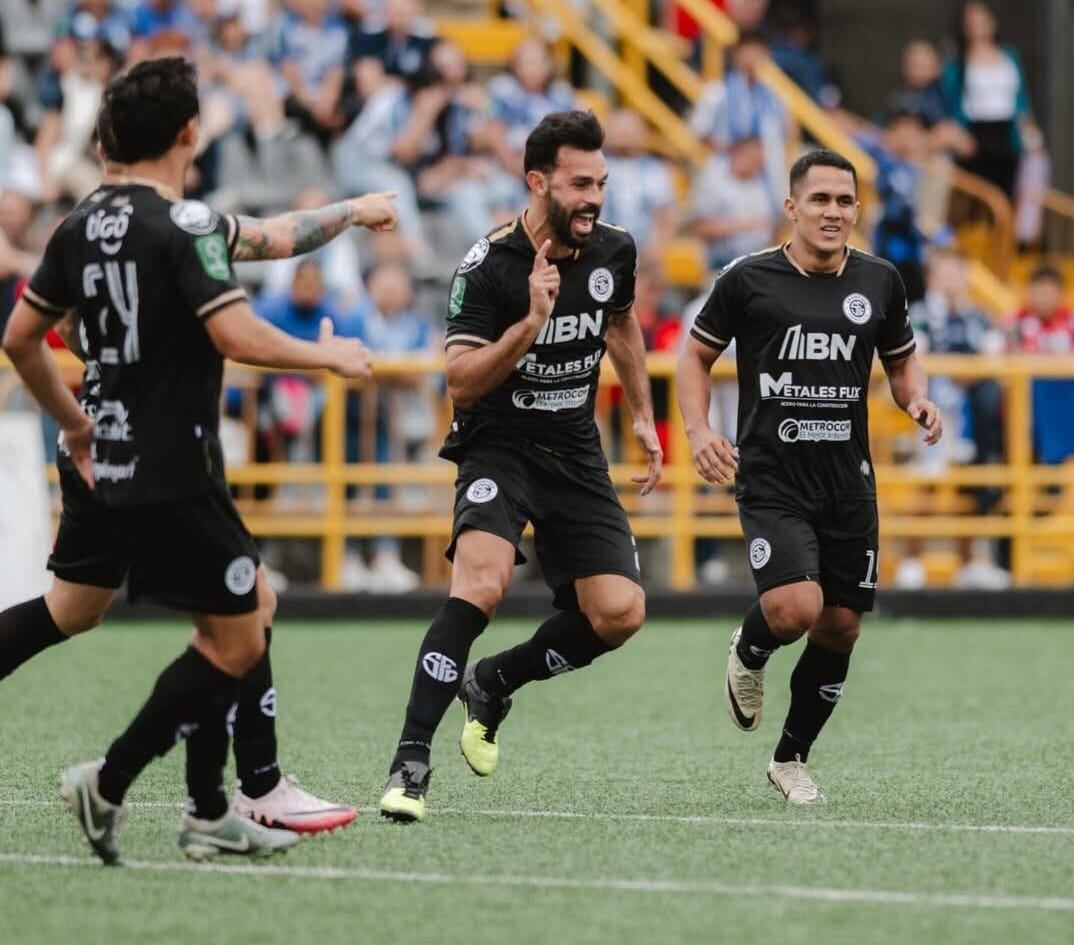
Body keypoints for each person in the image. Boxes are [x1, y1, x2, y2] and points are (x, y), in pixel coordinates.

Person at [0, 57, 394, 864]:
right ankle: (131, 782)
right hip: (171, 469)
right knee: (245, 629)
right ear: (190, 134)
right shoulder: (186, 228)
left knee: (72, 607)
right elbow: (235, 330)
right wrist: (328, 359)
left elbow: (26, 338)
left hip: (101, 463)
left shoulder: (78, 228)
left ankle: (215, 804)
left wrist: (75, 424)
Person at [378, 111, 662, 823]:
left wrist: (641, 415)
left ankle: (495, 680)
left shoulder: (614, 250)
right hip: (498, 444)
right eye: (579, 183)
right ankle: (411, 760)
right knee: (482, 582)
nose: (594, 197)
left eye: (601, 181)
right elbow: (460, 381)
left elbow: (621, 322)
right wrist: (528, 324)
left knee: (621, 611)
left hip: (572, 448)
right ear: (537, 182)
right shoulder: (487, 267)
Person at [676, 150, 943, 804]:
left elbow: (903, 360)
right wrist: (699, 430)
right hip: (773, 476)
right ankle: (752, 646)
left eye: (845, 201)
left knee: (842, 625)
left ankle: (790, 757)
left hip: (849, 481)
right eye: (820, 199)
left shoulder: (880, 280)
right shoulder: (747, 278)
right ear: (791, 207)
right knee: (796, 608)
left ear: (858, 209)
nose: (833, 212)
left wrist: (917, 399)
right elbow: (693, 357)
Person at [941, 0, 1040, 199]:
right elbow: (951, 106)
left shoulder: (1010, 58)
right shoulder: (957, 66)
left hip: (1006, 137)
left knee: (1008, 198)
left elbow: (1020, 102)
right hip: (976, 138)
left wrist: (1030, 136)